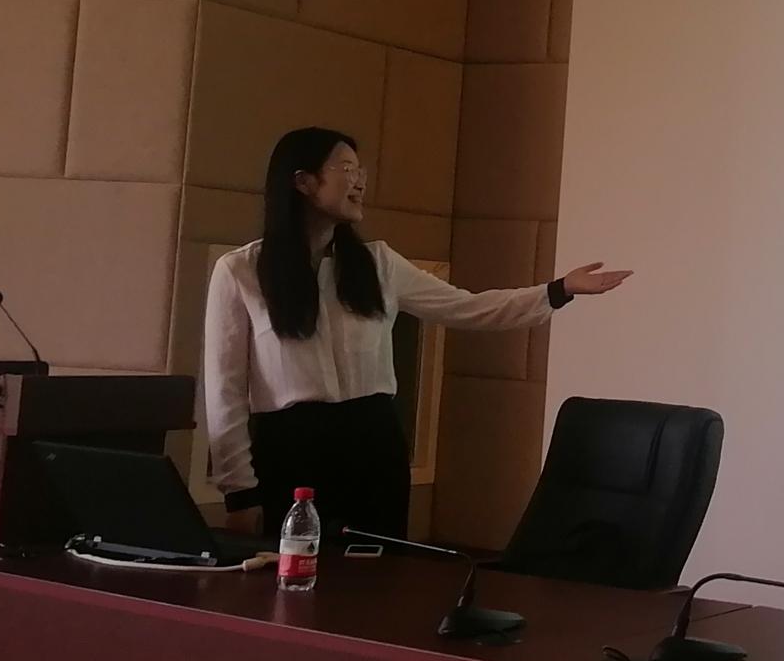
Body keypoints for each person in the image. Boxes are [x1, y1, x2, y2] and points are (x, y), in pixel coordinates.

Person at [204, 126, 630, 539]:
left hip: (373, 444)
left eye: (360, 171)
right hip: (289, 450)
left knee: (379, 575)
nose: (360, 182)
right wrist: (239, 492)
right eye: (347, 169)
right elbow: (225, 391)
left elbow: (469, 307)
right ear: (303, 181)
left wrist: (558, 290)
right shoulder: (240, 270)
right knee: (292, 575)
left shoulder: (378, 264)